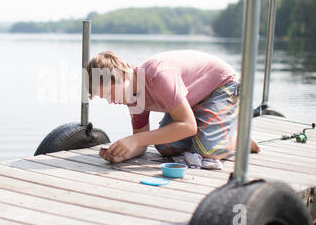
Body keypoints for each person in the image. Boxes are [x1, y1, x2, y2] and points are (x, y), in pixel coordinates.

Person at [86, 50, 260, 164]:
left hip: (221, 86)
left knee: (208, 151)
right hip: (192, 98)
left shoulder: (157, 76)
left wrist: (136, 140)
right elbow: (141, 140)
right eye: (105, 97)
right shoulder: (130, 95)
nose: (110, 101)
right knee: (165, 147)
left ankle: (237, 137)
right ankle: (215, 130)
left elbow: (189, 127)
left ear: (122, 75)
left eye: (109, 93)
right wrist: (123, 153)